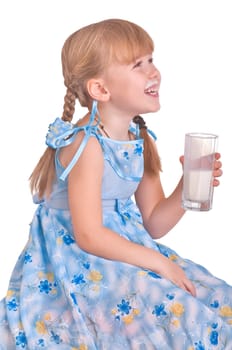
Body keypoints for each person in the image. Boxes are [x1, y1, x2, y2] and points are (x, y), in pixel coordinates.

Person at [0, 18, 231, 350]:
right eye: (138, 65)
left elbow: (154, 222)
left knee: (211, 295)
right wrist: (159, 263)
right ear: (101, 89)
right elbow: (89, 235)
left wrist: (186, 188)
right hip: (77, 259)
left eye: (151, 60)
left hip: (127, 248)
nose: (154, 72)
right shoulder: (86, 144)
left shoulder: (139, 137)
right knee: (166, 304)